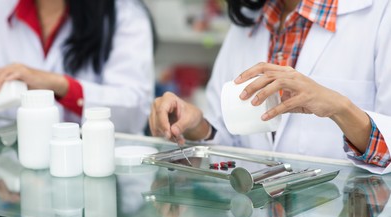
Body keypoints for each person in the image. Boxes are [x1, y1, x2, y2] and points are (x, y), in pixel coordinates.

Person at [149, 0, 391, 174]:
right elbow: (230, 141)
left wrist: (341, 109)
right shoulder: (249, 17)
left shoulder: (379, 13)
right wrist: (198, 126)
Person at [0, 0, 155, 134]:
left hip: (103, 183)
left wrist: (59, 85)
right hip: (14, 183)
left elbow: (133, 109)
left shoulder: (125, 14)